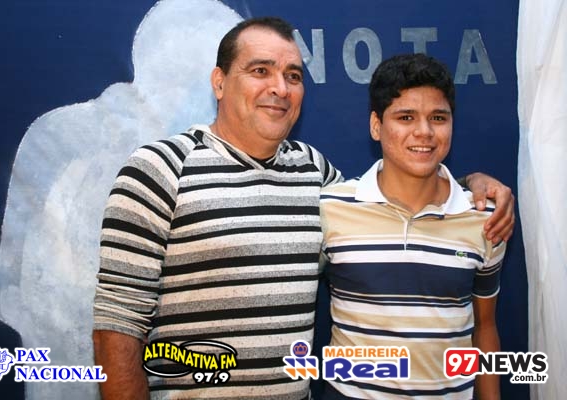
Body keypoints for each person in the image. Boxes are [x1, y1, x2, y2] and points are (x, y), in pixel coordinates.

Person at [93, 18, 514, 400]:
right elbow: (117, 327)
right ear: (219, 82)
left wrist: (469, 185)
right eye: (260, 71)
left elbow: (397, 191)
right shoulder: (160, 168)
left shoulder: (314, 172)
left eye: (292, 75)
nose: (280, 87)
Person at [320, 53, 506, 399]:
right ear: (376, 125)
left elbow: (485, 327)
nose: (424, 131)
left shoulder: (485, 218)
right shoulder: (331, 209)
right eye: (406, 117)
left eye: (438, 117)